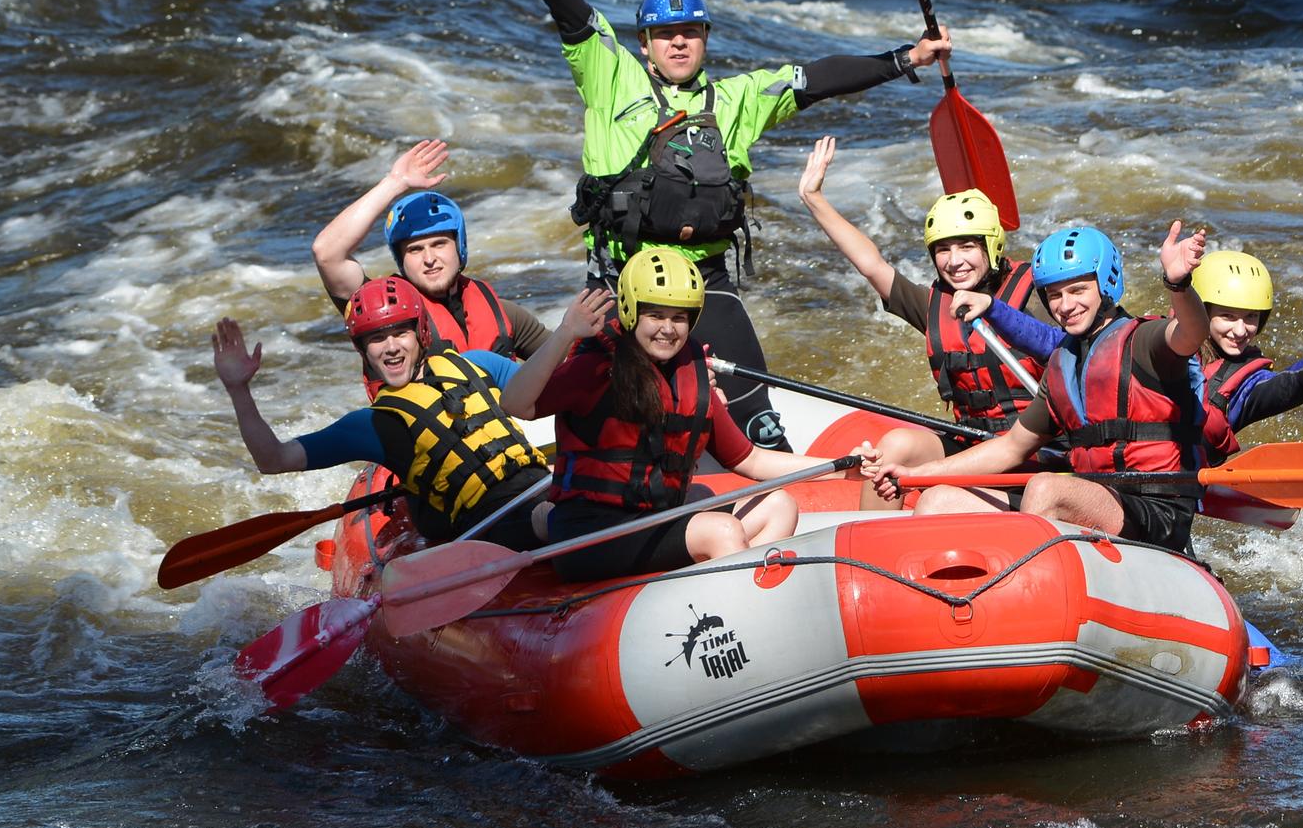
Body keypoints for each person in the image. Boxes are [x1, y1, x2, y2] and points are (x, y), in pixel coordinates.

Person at [491, 0, 952, 450]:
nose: (678, 41)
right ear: (644, 43)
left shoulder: (736, 100)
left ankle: (769, 494)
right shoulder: (607, 73)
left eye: (690, 31)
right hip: (616, 284)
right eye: (665, 33)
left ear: (705, 38)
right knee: (598, 424)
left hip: (704, 284)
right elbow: (568, 4)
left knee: (758, 416)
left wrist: (906, 57)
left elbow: (815, 78)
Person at [865, 223, 1213, 554]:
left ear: (1106, 284)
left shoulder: (1145, 342)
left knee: (1045, 488)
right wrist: (915, 476)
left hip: (1154, 509)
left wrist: (1177, 284)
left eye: (1078, 290)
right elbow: (1010, 449)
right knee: (939, 500)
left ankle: (1025, 594)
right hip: (1092, 493)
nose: (1065, 305)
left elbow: (1190, 332)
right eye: (1055, 295)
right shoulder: (1063, 365)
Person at [519, 247, 858, 582]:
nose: (668, 328)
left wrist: (844, 467)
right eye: (656, 315)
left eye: (679, 317)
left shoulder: (691, 377)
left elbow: (751, 460)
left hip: (654, 518)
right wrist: (564, 334)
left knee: (779, 506)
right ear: (631, 311)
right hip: (590, 533)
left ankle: (717, 595)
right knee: (720, 531)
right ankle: (737, 610)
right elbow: (517, 404)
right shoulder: (595, 368)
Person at [210, 275, 595, 551]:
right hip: (485, 528)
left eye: (399, 333)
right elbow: (273, 459)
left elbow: (552, 394)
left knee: (586, 499)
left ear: (421, 334)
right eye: (376, 339)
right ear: (363, 351)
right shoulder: (372, 425)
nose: (390, 347)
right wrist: (238, 389)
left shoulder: (476, 364)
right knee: (552, 517)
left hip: (541, 486)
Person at [796, 135, 1053, 507]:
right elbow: (872, 266)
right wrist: (813, 199)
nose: (954, 261)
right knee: (895, 447)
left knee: (940, 498)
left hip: (1038, 455)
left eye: (967, 247)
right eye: (943, 250)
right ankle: (868, 551)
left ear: (991, 246)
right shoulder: (935, 304)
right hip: (971, 444)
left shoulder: (1039, 296)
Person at [310, 139, 552, 373]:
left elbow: (565, 359)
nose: (429, 259)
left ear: (459, 248)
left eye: (439, 244)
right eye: (415, 249)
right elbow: (327, 253)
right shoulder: (381, 311)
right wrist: (395, 182)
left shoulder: (503, 314)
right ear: (400, 259)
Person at [1190, 251, 1303, 460]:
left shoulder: (1245, 385)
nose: (1240, 330)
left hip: (1181, 485)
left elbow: (1295, 384)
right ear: (1201, 311)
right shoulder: (1163, 341)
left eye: (1251, 317)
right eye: (1228, 315)